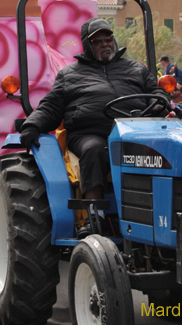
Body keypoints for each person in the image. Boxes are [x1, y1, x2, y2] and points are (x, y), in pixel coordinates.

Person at [18, 19, 168, 237]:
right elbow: (50, 106)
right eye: (98, 41)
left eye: (108, 39)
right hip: (90, 133)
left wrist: (158, 103)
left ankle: (161, 213)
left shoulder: (136, 69)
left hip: (134, 131)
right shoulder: (70, 75)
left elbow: (157, 93)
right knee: (94, 149)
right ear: (87, 46)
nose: (105, 44)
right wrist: (32, 125)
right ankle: (94, 217)